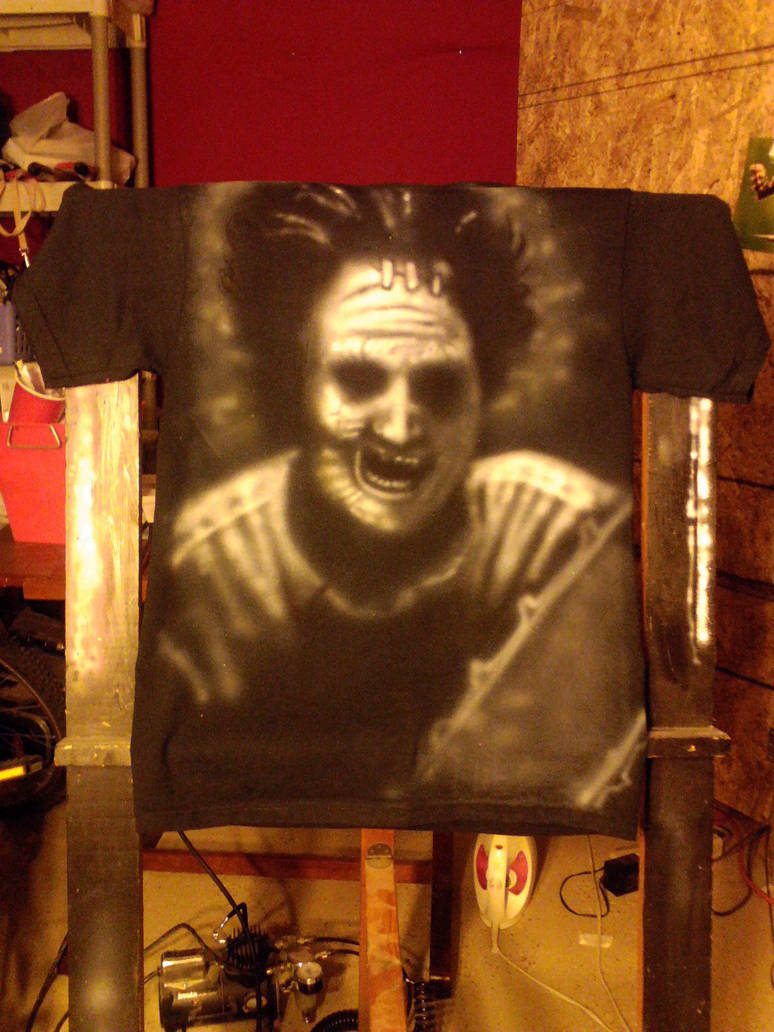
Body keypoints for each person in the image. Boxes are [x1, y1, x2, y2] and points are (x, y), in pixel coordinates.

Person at [137, 184, 645, 830]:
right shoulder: (218, 574)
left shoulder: (563, 535)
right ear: (292, 383)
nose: (401, 428)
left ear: (485, 389)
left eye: (439, 384)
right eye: (358, 378)